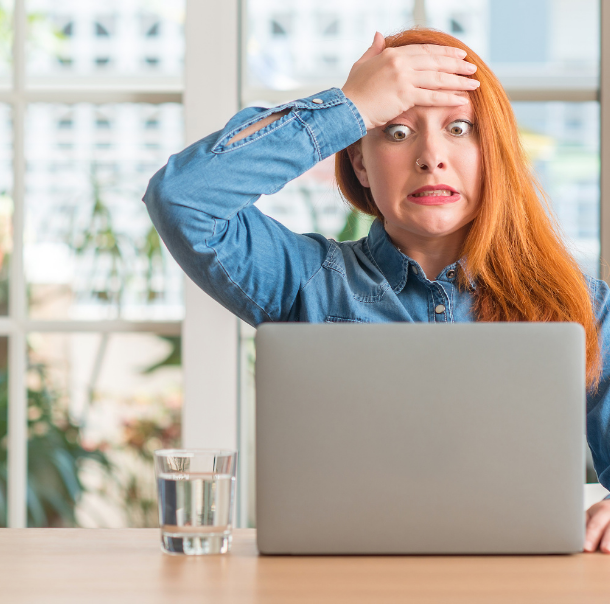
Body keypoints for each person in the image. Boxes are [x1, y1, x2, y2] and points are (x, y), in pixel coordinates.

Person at [143, 28, 610, 553]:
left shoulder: (584, 306)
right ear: (360, 163)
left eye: (459, 128)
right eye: (396, 132)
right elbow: (182, 197)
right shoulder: (306, 281)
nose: (431, 156)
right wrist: (349, 106)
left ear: (492, 155)